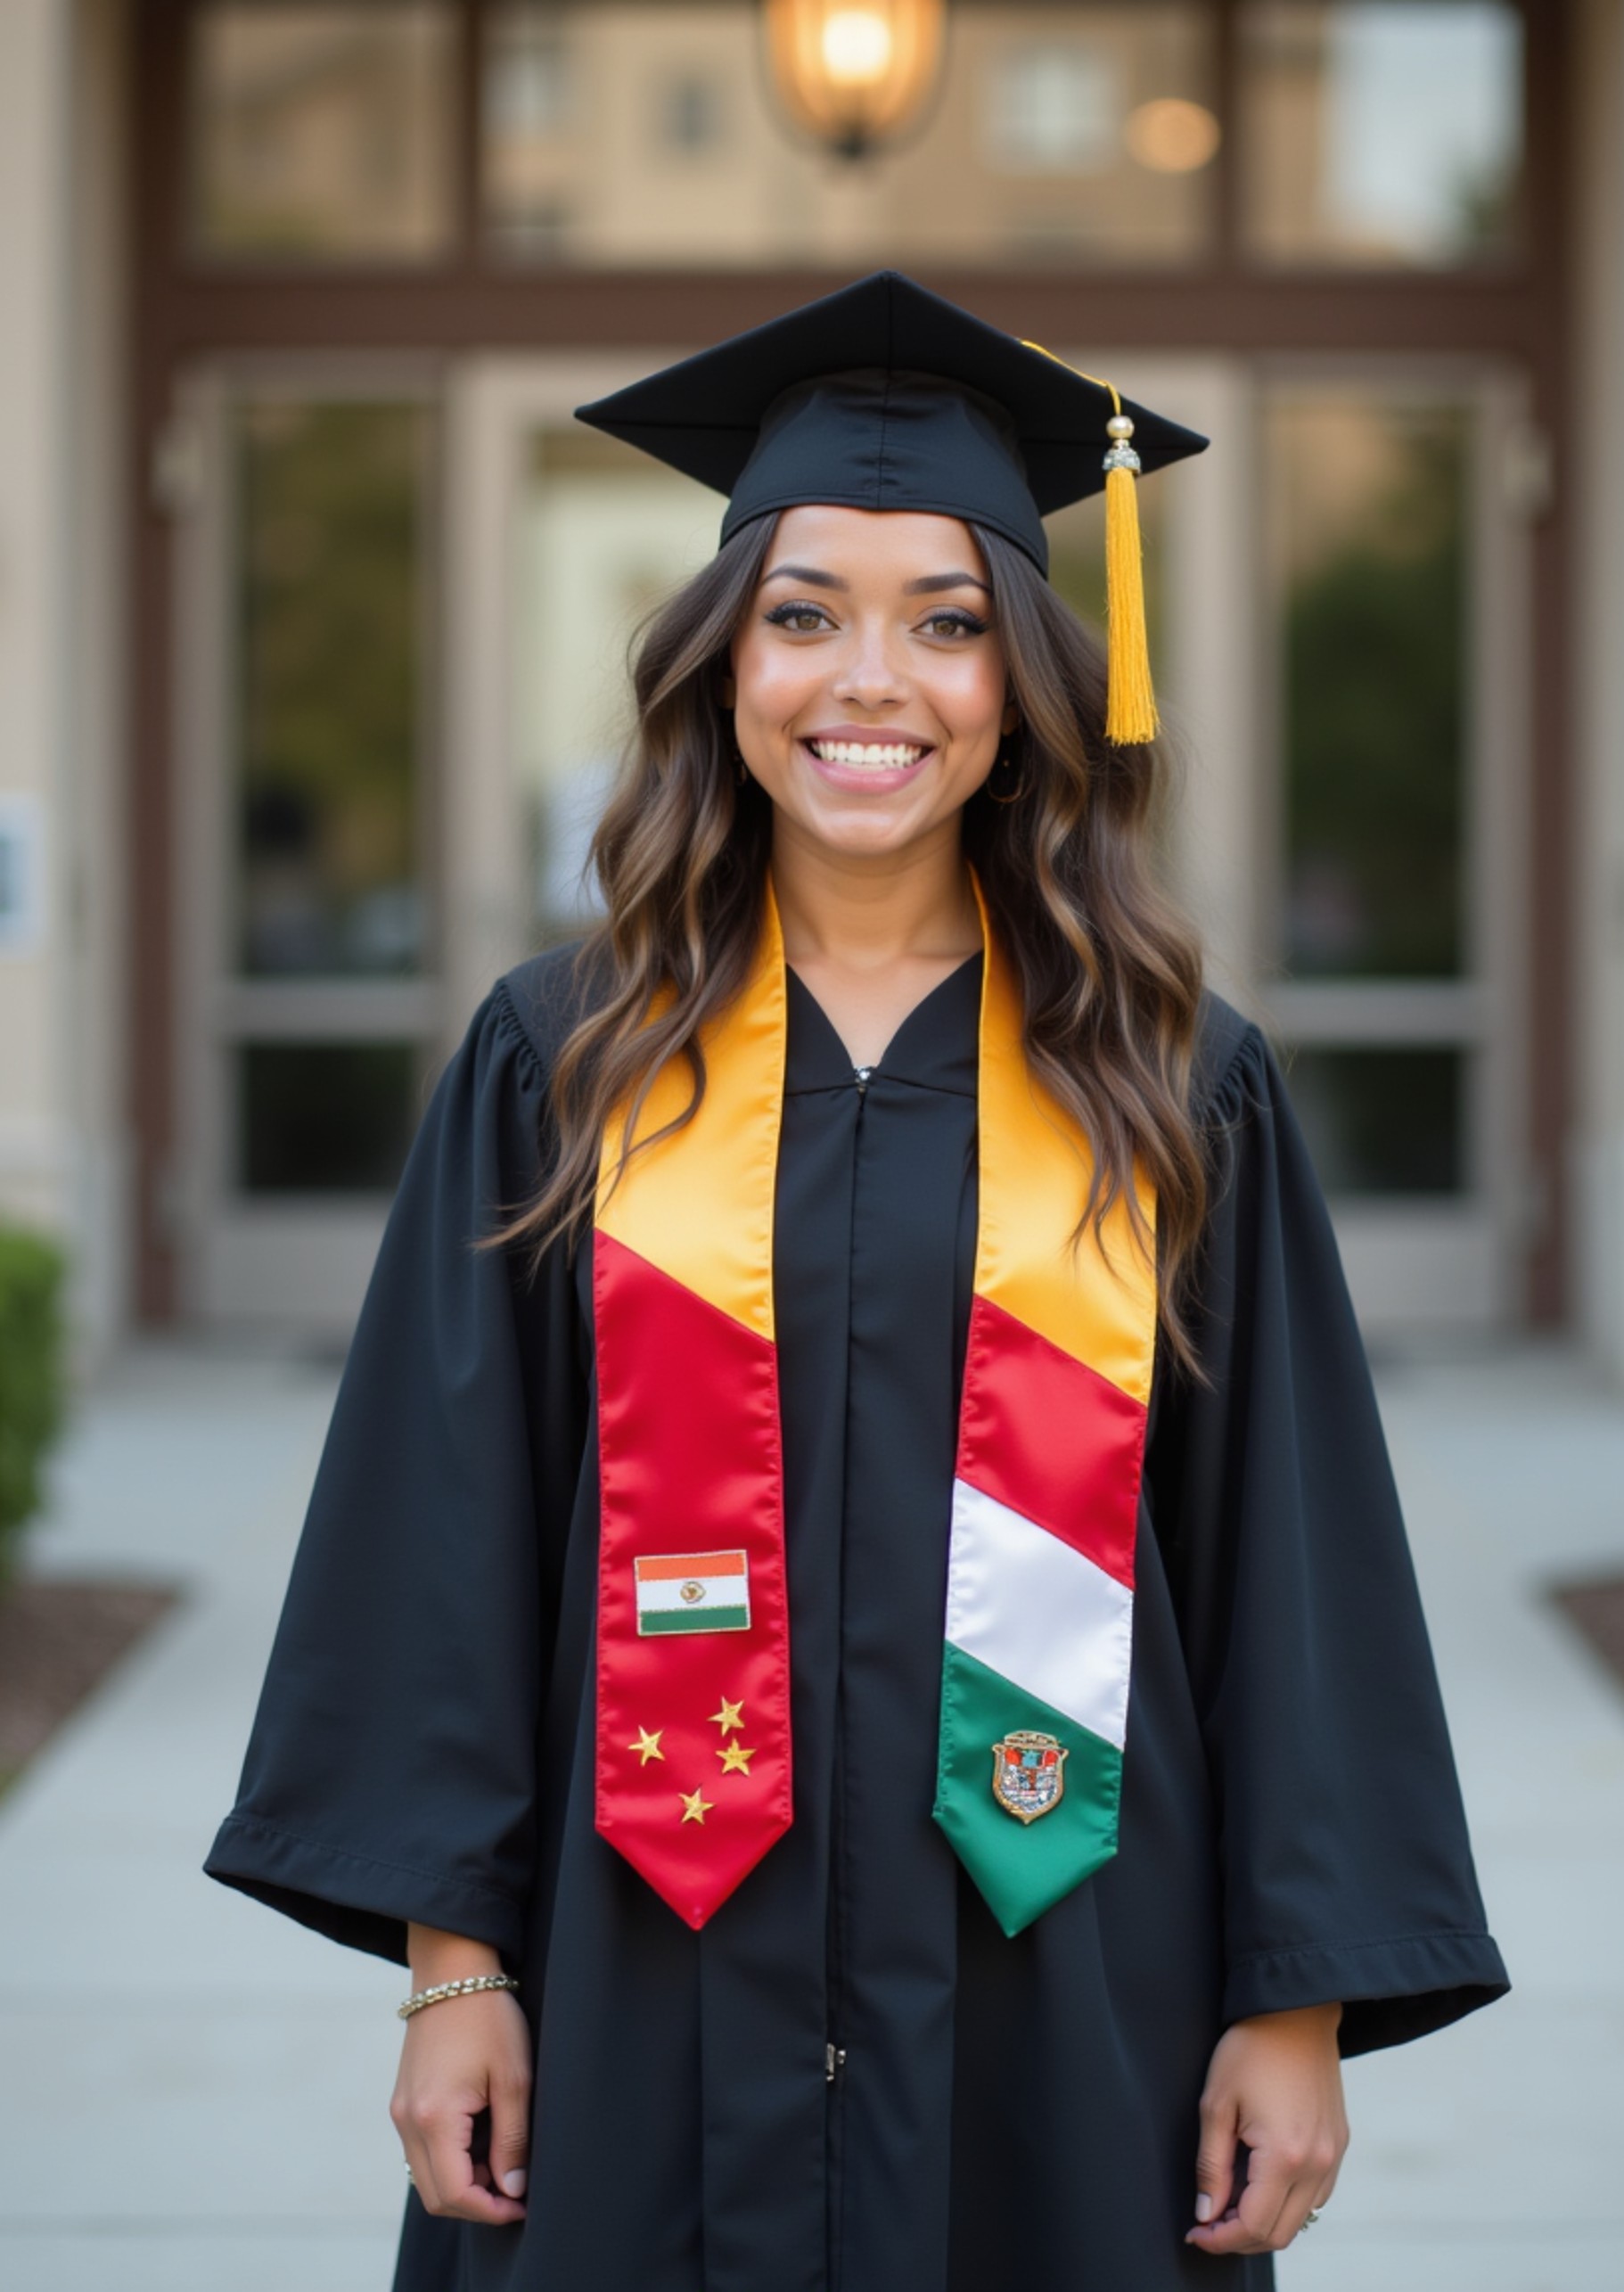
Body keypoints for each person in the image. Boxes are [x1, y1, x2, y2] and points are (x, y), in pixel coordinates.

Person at [205, 271, 1508, 2292]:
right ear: (723, 661)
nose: (868, 680)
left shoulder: (1170, 1078)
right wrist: (449, 1972)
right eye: (803, 612)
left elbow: (1288, 1555)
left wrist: (1297, 1998)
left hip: (1068, 1967)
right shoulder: (564, 1056)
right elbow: (441, 1532)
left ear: (1029, 677)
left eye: (948, 619)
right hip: (641, 1973)